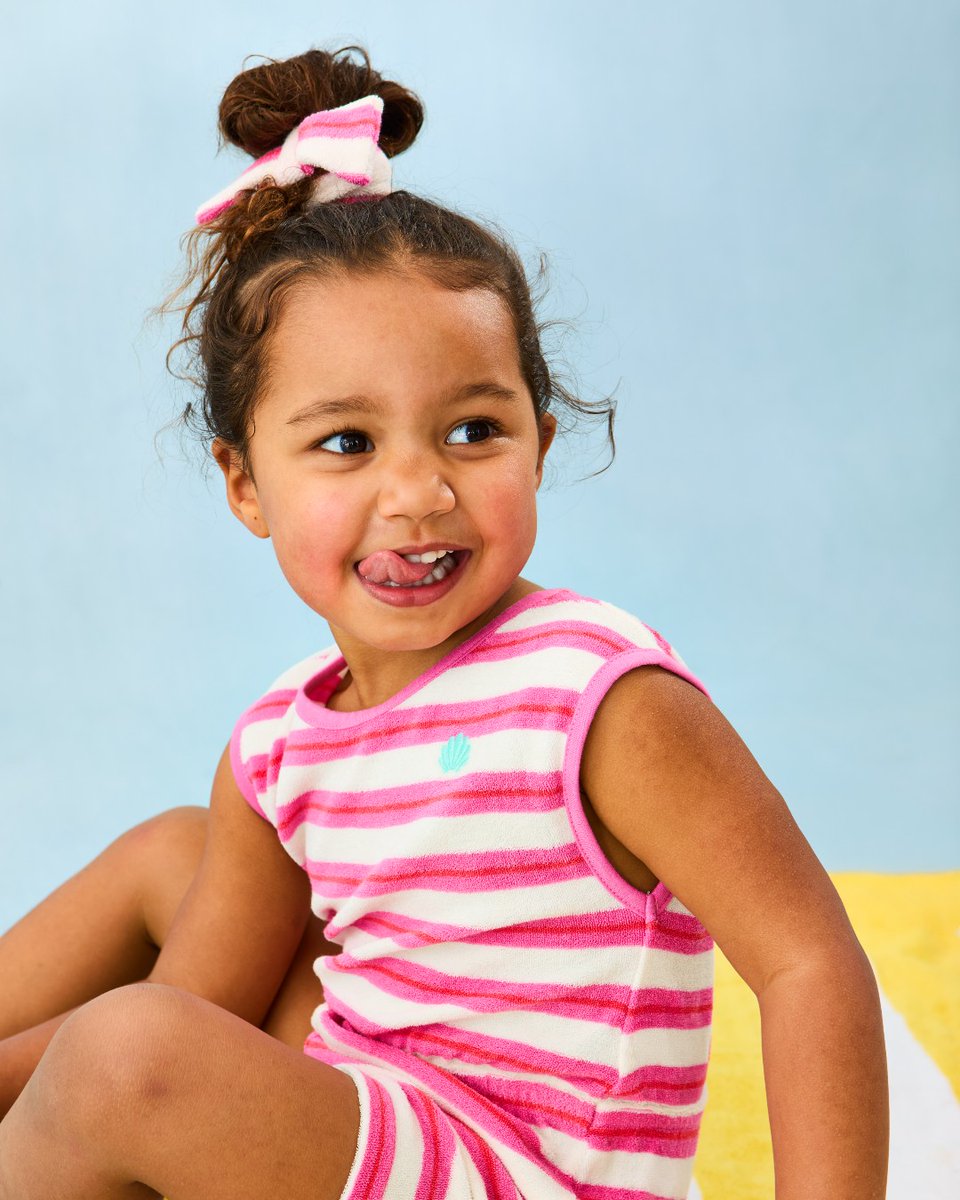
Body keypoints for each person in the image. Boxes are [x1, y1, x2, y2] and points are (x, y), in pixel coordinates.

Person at [0, 44, 888, 1200]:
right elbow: (199, 1005)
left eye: (473, 431)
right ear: (246, 485)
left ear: (540, 440)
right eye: (347, 443)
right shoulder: (282, 743)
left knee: (127, 1057)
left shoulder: (596, 698)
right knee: (175, 862)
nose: (419, 493)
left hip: (524, 1172)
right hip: (376, 1113)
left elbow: (810, 961)